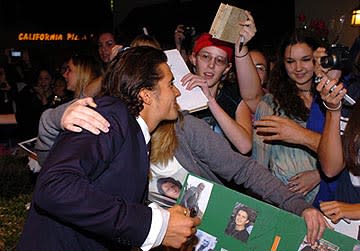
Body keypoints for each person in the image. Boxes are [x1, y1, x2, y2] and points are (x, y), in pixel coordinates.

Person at [17, 46, 201, 250]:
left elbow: (107, 194)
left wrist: (163, 218)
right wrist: (154, 225)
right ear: (146, 94)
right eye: (171, 84)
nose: (176, 92)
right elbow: (55, 185)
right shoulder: (111, 115)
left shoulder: (133, 131)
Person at [181, 31, 252, 154]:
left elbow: (245, 146)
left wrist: (211, 100)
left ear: (227, 68)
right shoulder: (179, 96)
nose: (211, 65)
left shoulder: (234, 100)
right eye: (205, 57)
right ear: (193, 58)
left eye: (219, 60)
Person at [316, 72, 360, 224]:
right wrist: (333, 110)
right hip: (349, 225)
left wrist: (355, 209)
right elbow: (330, 168)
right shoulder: (354, 93)